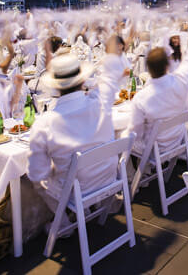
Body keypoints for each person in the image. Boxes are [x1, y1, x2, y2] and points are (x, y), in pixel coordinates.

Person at [27, 48, 125, 216]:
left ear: (55, 87)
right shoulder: (101, 104)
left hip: (74, 189)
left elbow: (37, 174)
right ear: (82, 82)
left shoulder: (45, 123)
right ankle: (85, 210)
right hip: (108, 178)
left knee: (35, 181)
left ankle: (64, 224)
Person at [124, 24, 188, 155]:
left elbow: (135, 133)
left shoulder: (141, 98)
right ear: (167, 65)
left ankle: (134, 173)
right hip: (177, 141)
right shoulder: (181, 81)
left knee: (122, 138)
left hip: (154, 149)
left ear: (148, 69)